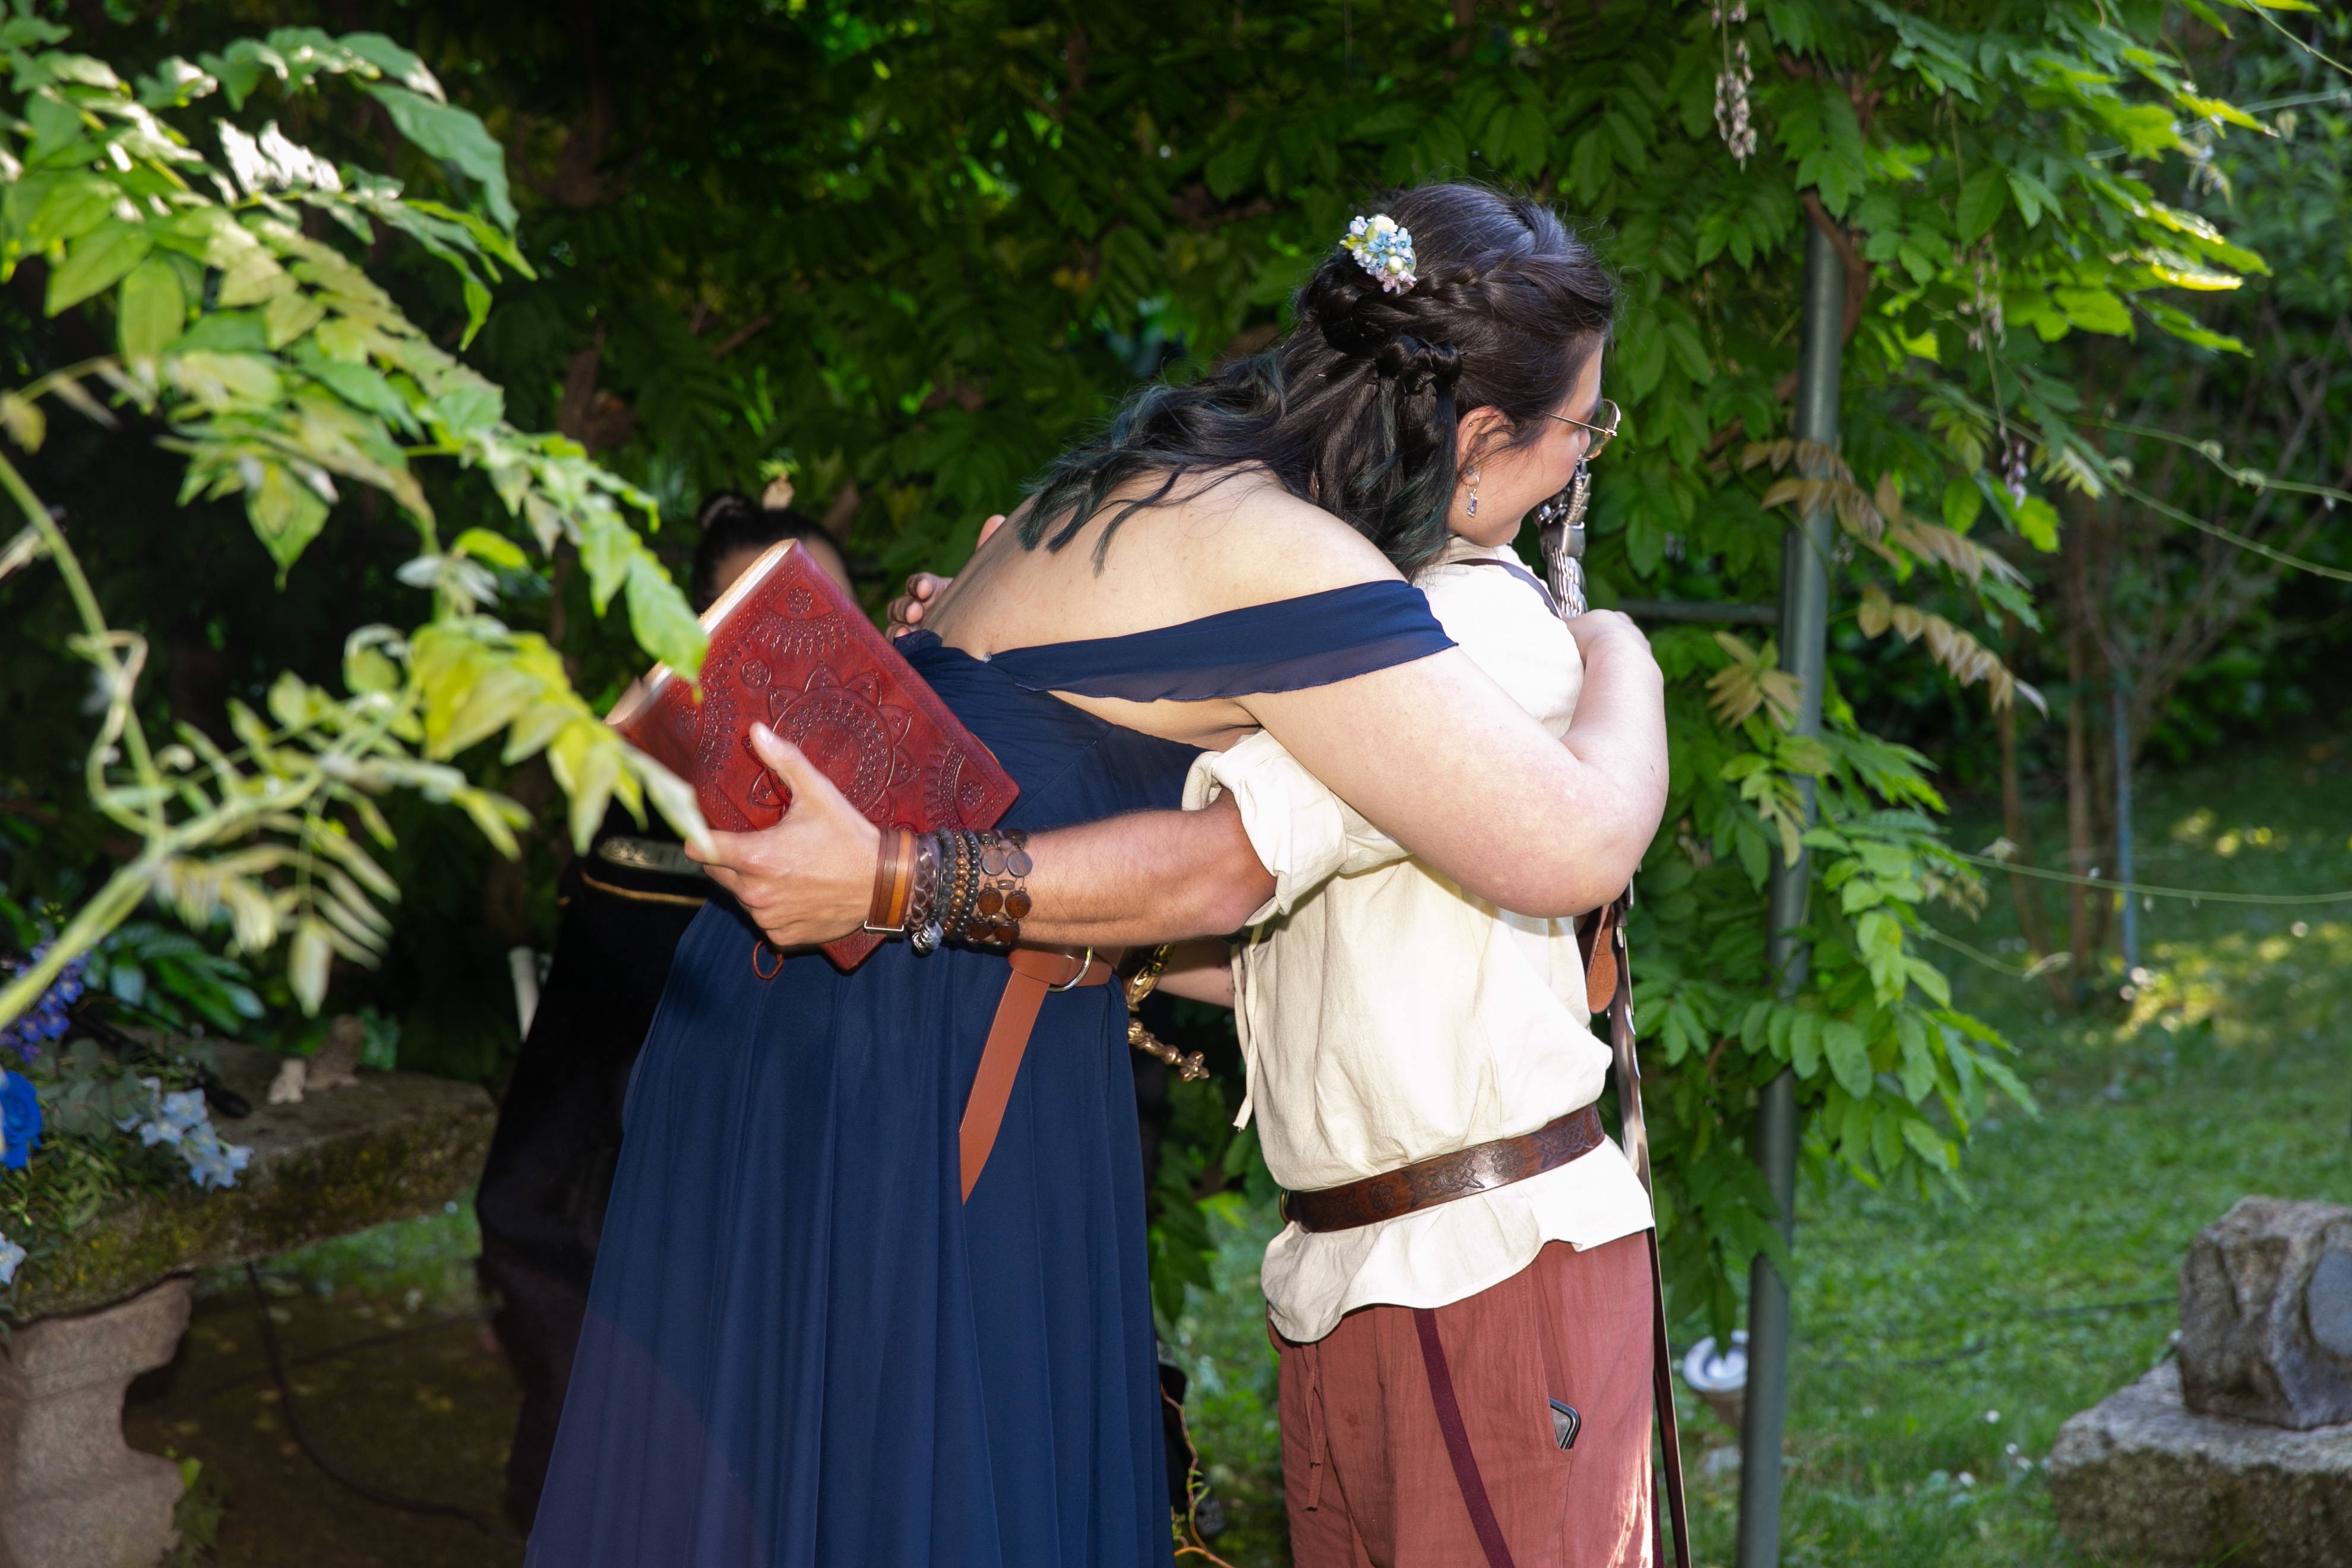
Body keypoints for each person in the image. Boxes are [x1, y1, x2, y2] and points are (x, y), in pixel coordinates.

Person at [529, 184, 1666, 1568]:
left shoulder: (1153, 473)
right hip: (924, 1039)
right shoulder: (1289, 557)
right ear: (1480, 438)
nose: (1580, 466)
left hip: (819, 1014)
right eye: (1583, 432)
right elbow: (1572, 841)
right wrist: (1623, 658)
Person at [473, 492, 851, 1531]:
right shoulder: (642, 792)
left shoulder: (895, 819)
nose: (807, 644)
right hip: (627, 1201)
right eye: (767, 616)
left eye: (830, 614)